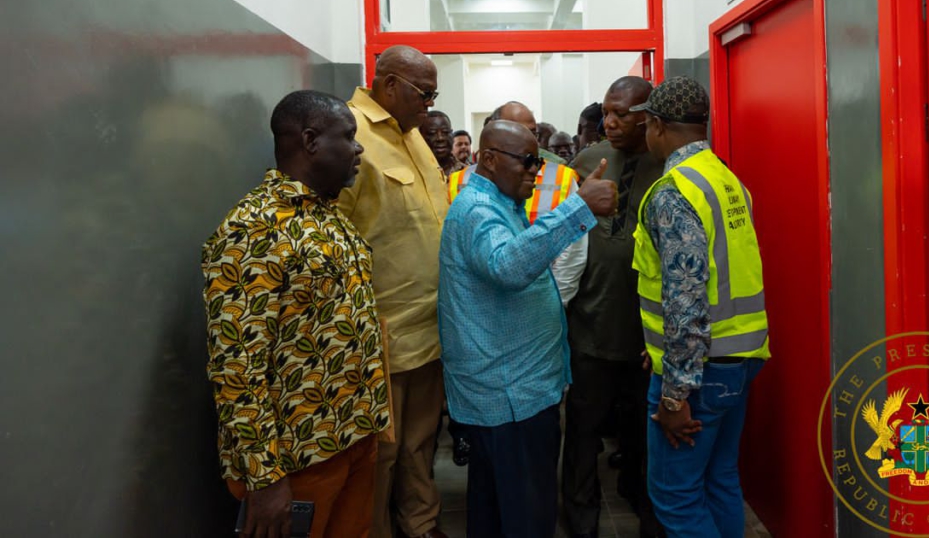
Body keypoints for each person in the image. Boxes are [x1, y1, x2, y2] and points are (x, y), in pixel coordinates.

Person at [202, 90, 389, 538]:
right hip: (298, 459)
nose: (358, 148)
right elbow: (237, 367)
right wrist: (265, 479)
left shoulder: (329, 215)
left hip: (354, 436)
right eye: (349, 137)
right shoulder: (253, 229)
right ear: (310, 141)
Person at [438, 120, 618, 537]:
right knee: (526, 515)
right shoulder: (478, 211)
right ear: (489, 159)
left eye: (538, 160)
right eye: (526, 161)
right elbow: (509, 266)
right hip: (510, 398)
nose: (536, 171)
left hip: (514, 393)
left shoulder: (502, 203)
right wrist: (579, 208)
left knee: (497, 510)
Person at [630, 76, 770, 537]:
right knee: (720, 480)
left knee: (676, 497)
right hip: (739, 361)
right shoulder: (727, 179)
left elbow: (686, 296)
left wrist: (675, 394)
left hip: (699, 374)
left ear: (656, 126)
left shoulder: (674, 192)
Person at [339, 45, 450, 538]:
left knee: (420, 444)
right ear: (389, 86)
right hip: (382, 336)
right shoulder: (349, 134)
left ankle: (419, 526)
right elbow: (333, 233)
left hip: (430, 330)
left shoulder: (414, 137)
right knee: (380, 453)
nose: (430, 105)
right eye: (423, 94)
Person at [562, 77, 665, 538]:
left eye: (622, 113)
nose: (610, 122)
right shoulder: (585, 161)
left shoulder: (667, 166)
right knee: (583, 430)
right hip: (590, 323)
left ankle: (641, 497)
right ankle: (580, 513)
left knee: (642, 432)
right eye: (606, 112)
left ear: (649, 114)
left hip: (644, 333)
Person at [449, 101, 587, 307]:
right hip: (483, 305)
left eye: (533, 133)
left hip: (542, 301)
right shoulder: (460, 182)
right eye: (514, 131)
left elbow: (572, 255)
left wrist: (552, 301)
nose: (526, 139)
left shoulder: (561, 177)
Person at [419, 110, 465, 178]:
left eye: (445, 132)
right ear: (420, 137)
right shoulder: (414, 171)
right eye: (432, 133)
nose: (440, 138)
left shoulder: (467, 173)